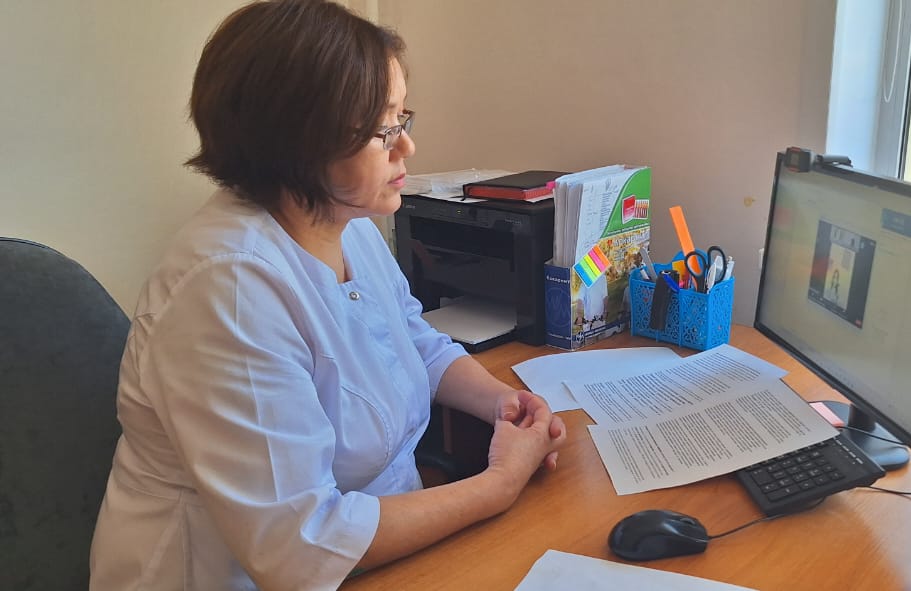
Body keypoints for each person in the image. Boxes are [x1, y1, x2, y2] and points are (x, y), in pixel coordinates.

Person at [88, 1, 566, 588]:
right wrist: (498, 484)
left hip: (385, 547)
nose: (406, 148)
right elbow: (298, 547)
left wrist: (503, 403)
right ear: (299, 142)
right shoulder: (228, 288)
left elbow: (413, 343)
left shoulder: (348, 223)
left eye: (402, 118)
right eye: (382, 130)